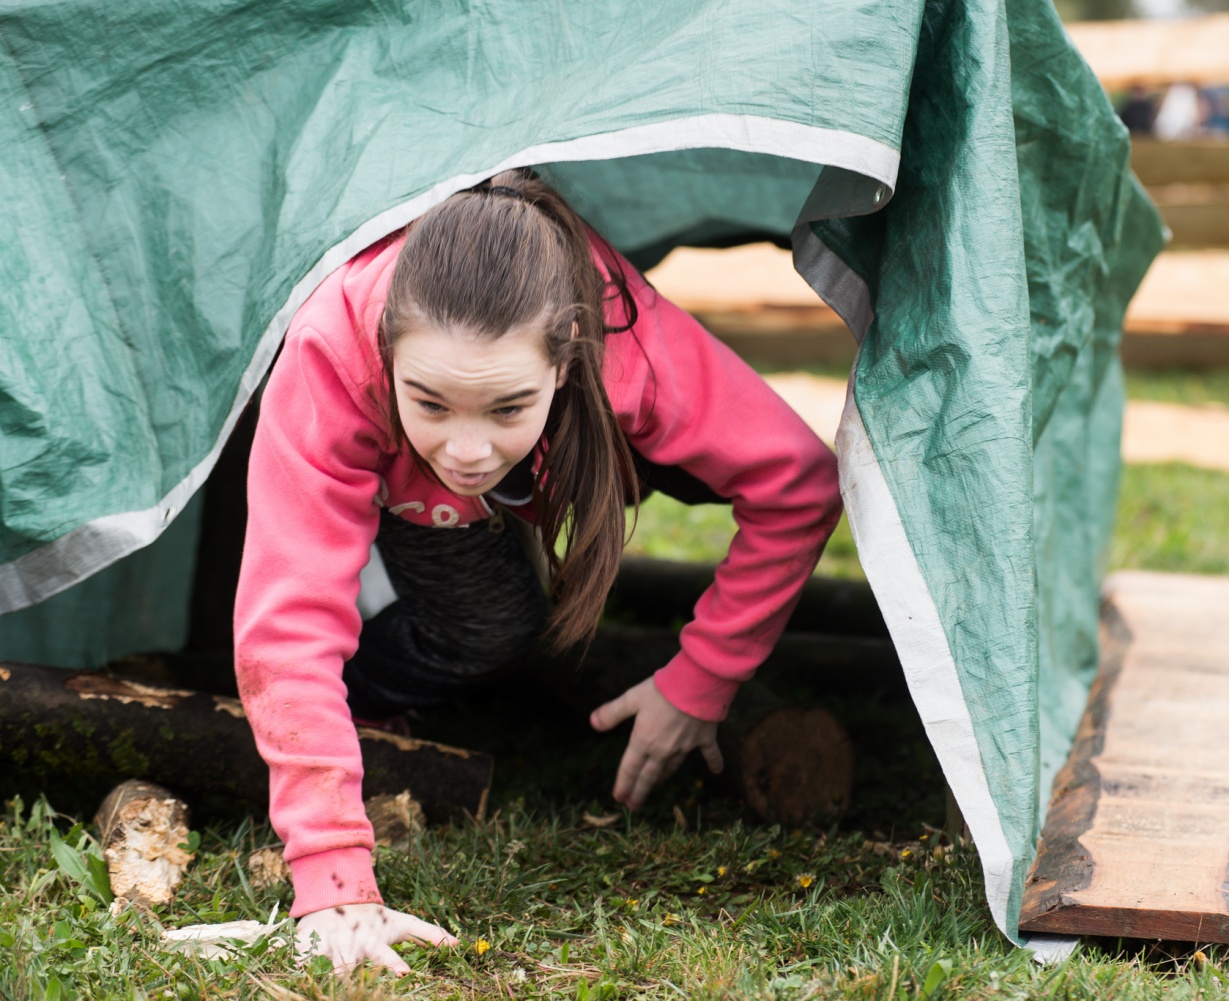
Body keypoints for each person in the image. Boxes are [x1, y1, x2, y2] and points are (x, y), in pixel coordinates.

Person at [233, 169, 844, 974]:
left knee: (559, 593)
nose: (467, 448)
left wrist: (701, 680)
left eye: (506, 406)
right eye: (433, 402)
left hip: (582, 445)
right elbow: (288, 617)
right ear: (389, 356)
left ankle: (524, 465)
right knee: (493, 627)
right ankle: (375, 681)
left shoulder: (627, 347)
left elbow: (798, 480)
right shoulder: (334, 346)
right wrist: (332, 874)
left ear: (564, 359)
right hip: (398, 488)